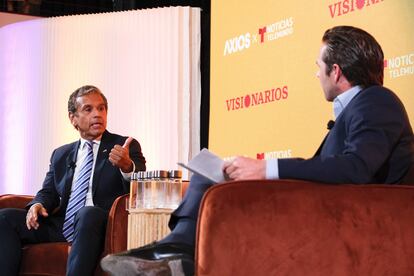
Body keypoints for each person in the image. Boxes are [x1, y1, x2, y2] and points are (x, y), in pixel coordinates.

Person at [101, 26, 414, 276]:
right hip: (331, 213)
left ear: (336, 70)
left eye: (317, 67)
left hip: (357, 224)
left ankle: (176, 252)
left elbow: (354, 168)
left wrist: (266, 170)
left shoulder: (376, 100)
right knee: (208, 173)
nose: (315, 75)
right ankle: (176, 249)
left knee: (217, 179)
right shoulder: (359, 107)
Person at [0, 85, 146, 276]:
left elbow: (142, 184)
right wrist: (37, 204)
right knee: (4, 218)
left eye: (101, 108)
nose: (97, 114)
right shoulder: (61, 154)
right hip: (64, 224)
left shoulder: (123, 146)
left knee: (87, 214)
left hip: (102, 223)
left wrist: (127, 167)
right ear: (73, 118)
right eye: (88, 109)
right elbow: (48, 192)